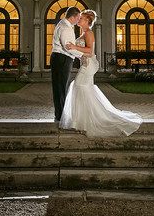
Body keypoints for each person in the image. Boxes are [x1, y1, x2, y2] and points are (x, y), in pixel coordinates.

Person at [60, 9, 142, 137]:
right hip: (86, 62)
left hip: (89, 64)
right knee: (84, 89)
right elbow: (84, 53)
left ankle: (86, 121)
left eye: (81, 18)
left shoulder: (89, 33)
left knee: (79, 86)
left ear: (87, 21)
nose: (79, 19)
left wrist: (75, 47)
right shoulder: (83, 33)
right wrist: (74, 53)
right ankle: (84, 121)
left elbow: (90, 51)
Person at [50, 6, 82, 123]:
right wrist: (82, 55)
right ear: (72, 17)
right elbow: (68, 46)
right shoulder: (66, 28)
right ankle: (61, 115)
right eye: (77, 17)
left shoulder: (62, 25)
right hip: (62, 58)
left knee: (59, 87)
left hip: (59, 58)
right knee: (60, 87)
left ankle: (60, 114)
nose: (78, 20)